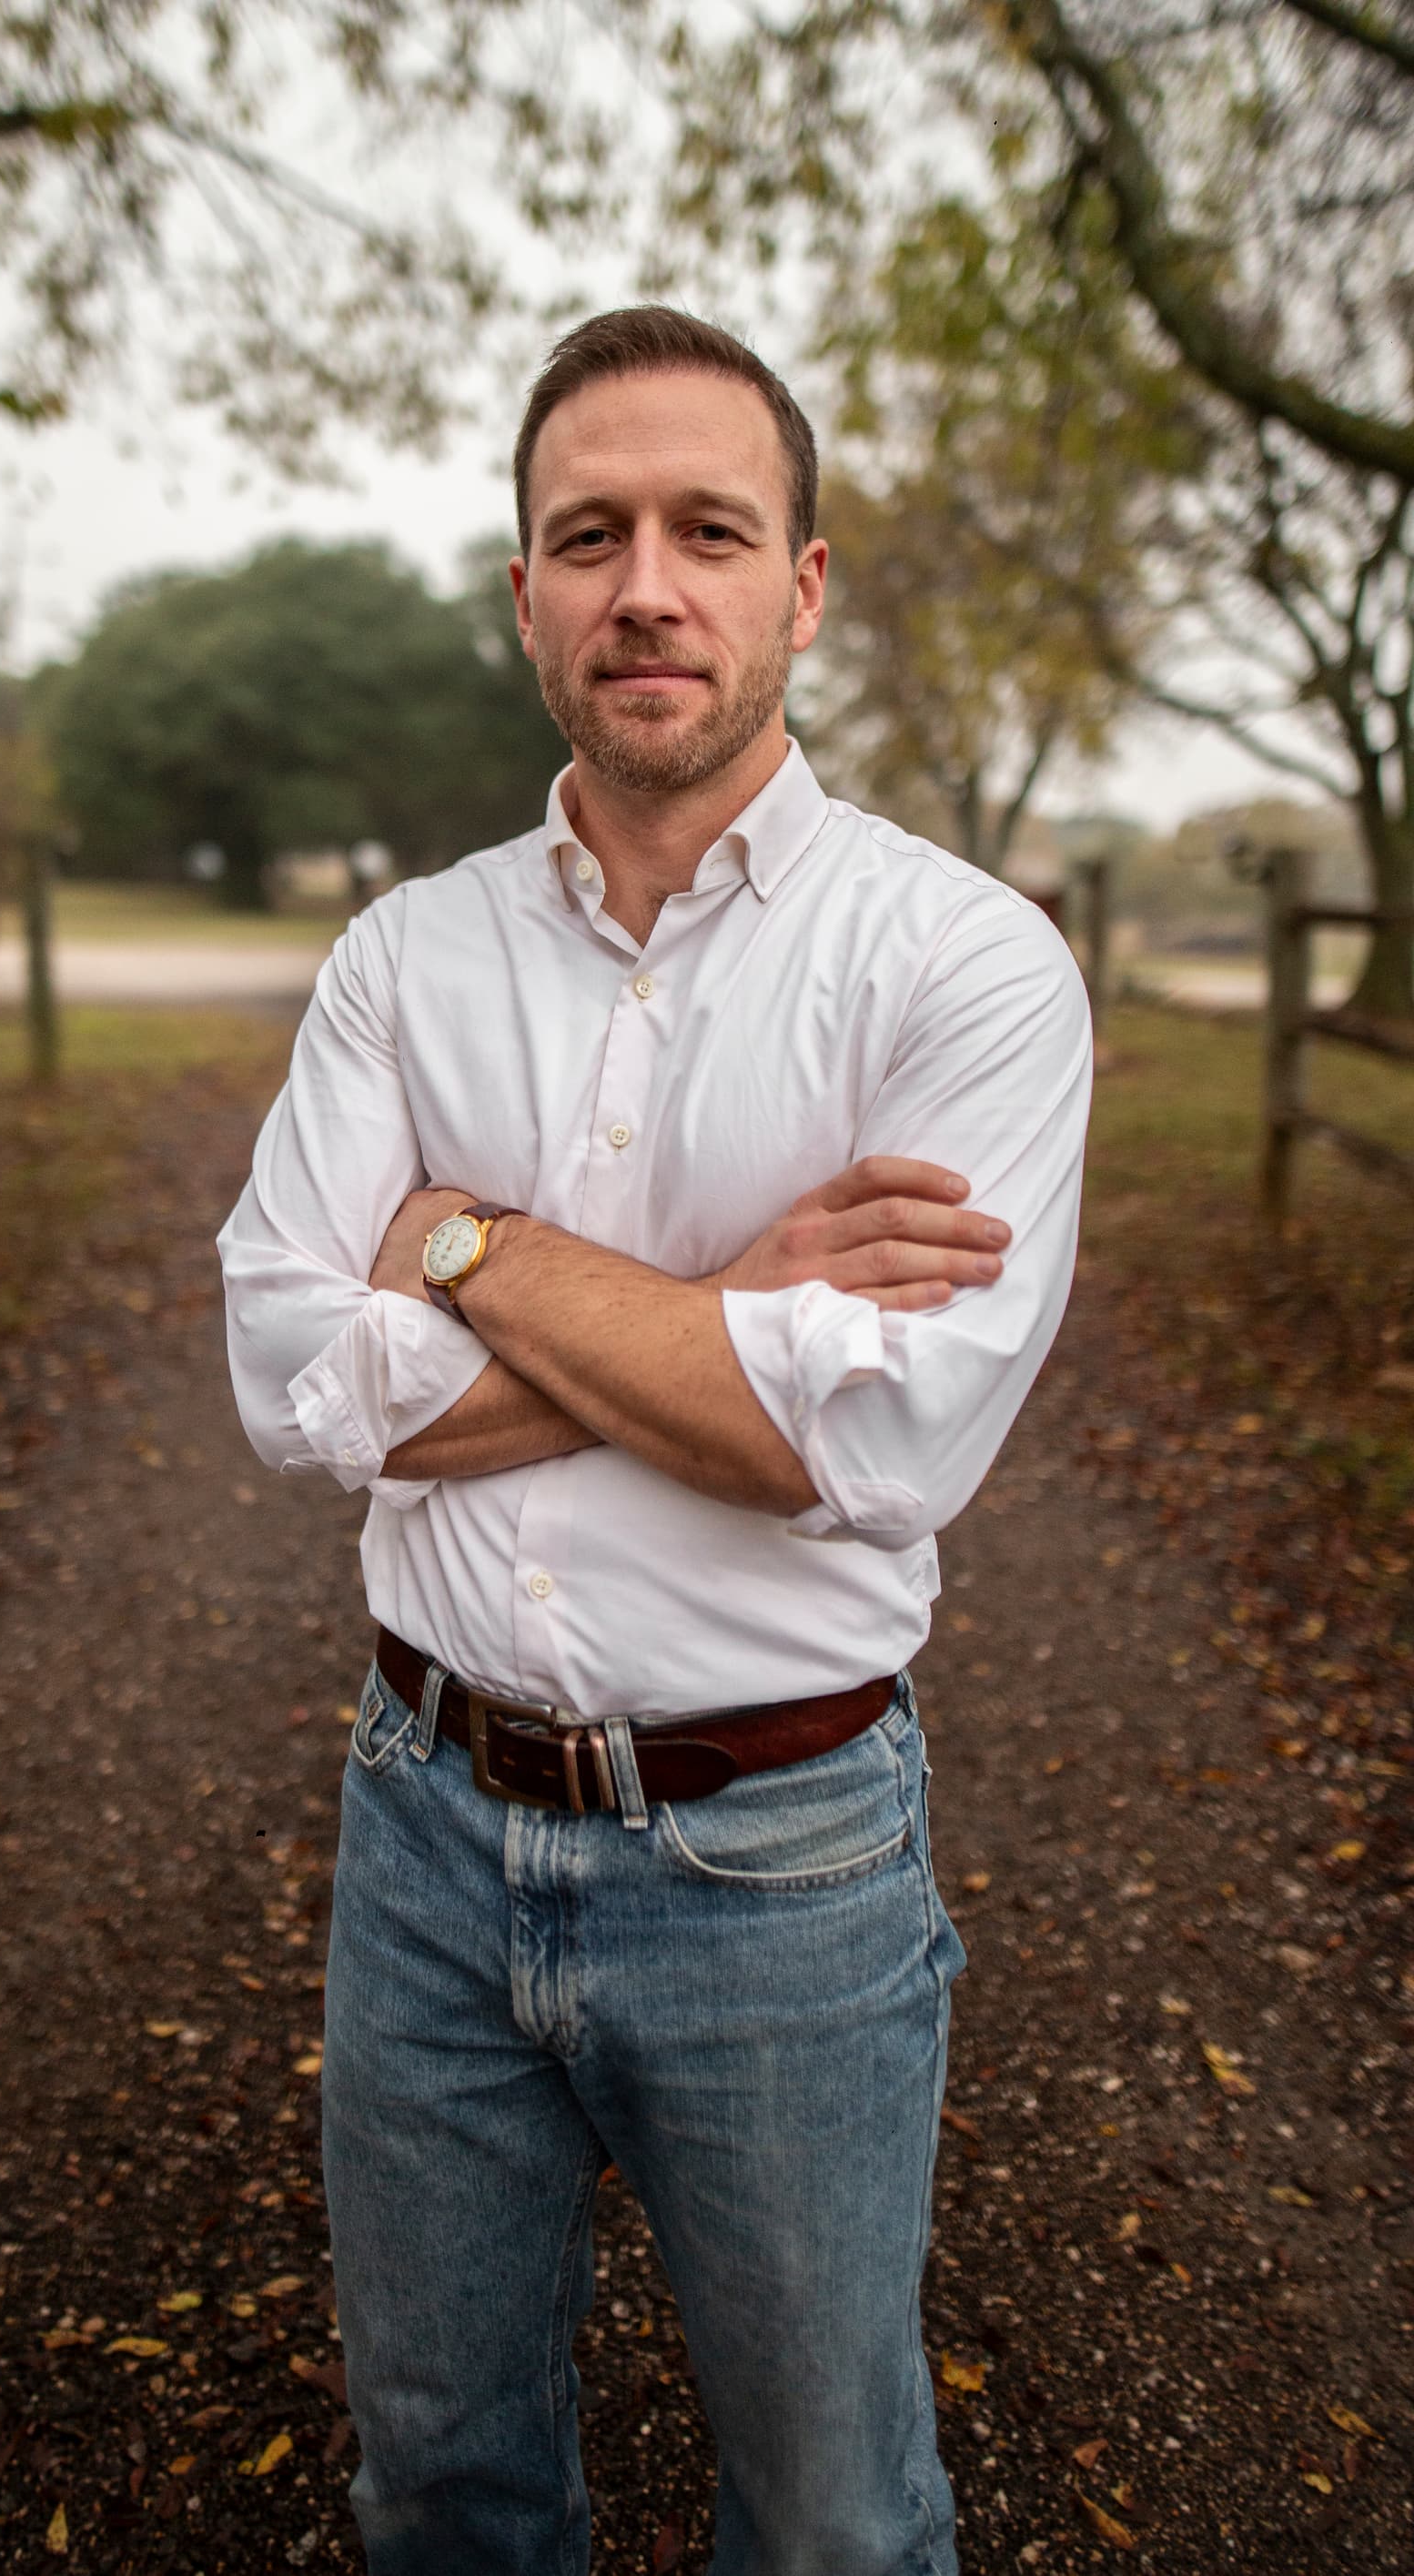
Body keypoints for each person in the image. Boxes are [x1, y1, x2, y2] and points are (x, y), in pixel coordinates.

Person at [217, 305, 1093, 2576]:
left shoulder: (966, 963)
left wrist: (462, 1246)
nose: (647, 588)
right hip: (420, 1828)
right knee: (441, 2487)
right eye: (588, 537)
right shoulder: (403, 960)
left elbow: (873, 1441)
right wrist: (735, 1312)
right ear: (524, 593)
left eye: (710, 531)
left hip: (775, 1859)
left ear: (803, 583)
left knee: (831, 2521)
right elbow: (293, 1381)